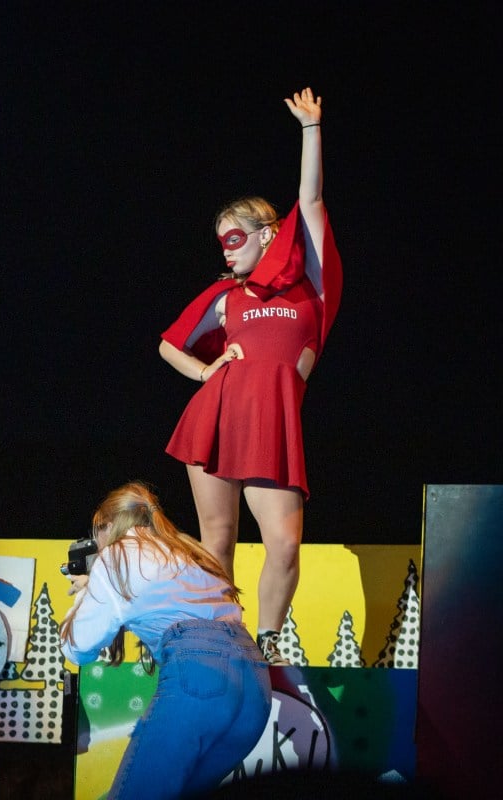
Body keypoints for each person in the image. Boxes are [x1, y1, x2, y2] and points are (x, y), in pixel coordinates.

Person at [157, 87, 342, 665]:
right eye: (221, 242)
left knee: (284, 544)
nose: (226, 250)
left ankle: (266, 645)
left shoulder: (308, 286)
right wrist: (205, 370)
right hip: (216, 415)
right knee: (218, 540)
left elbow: (309, 201)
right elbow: (167, 344)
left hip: (273, 423)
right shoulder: (225, 294)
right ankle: (221, 643)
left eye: (235, 237)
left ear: (267, 234)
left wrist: (310, 129)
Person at [60, 481, 271, 800]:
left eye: (96, 535)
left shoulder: (117, 555)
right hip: (254, 684)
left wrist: (86, 595)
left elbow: (77, 647)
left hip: (201, 676)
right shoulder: (186, 549)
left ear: (107, 525)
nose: (96, 545)